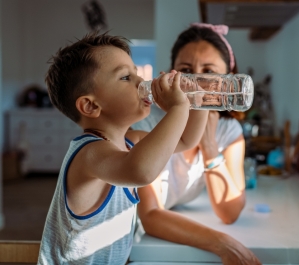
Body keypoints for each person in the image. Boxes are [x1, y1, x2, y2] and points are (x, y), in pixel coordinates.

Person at [37, 32, 209, 265]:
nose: (141, 82)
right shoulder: (89, 154)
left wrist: (200, 98)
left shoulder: (132, 140)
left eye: (136, 72)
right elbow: (142, 172)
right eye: (126, 77)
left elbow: (187, 140)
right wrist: (178, 108)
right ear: (90, 105)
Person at [132, 23, 261, 265]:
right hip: (139, 243)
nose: (197, 82)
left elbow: (230, 212)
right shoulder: (147, 126)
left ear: (228, 81)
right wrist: (223, 243)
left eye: (209, 72)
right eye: (186, 70)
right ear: (173, 73)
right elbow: (150, 215)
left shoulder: (227, 130)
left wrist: (209, 145)